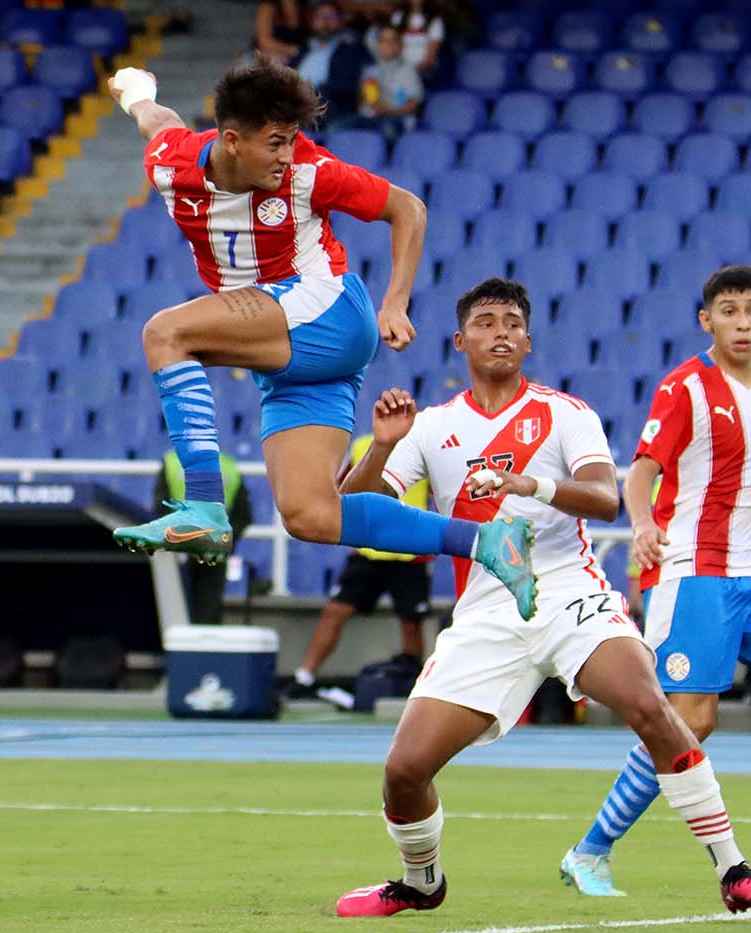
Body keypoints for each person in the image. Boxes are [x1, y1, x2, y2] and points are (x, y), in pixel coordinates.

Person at [333, 278, 751, 917]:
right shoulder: (429, 426)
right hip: (488, 610)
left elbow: (606, 498)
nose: (501, 332)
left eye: (513, 322)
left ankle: (734, 869)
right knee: (405, 771)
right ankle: (421, 882)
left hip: (570, 592)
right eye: (487, 322)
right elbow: (350, 514)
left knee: (648, 702)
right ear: (460, 340)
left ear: (527, 338)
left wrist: (527, 484)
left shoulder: (565, 413)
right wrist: (382, 444)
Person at [104, 59, 536, 620]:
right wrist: (135, 88)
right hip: (291, 356)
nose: (289, 153)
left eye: (292, 140)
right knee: (311, 516)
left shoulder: (309, 170)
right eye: (276, 141)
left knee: (165, 333)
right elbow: (153, 118)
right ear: (231, 140)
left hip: (325, 310)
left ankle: (205, 506)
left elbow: (407, 207)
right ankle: (488, 544)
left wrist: (395, 301)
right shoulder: (171, 162)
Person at [562, 266, 751, 897]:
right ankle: (590, 850)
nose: (743, 322)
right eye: (729, 311)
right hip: (694, 573)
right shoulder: (684, 388)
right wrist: (643, 525)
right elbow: (642, 471)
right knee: (690, 722)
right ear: (707, 321)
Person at [288, 432, 432, 702]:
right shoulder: (363, 445)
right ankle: (304, 678)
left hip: (411, 550)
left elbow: (440, 490)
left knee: (412, 622)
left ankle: (413, 686)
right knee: (335, 610)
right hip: (369, 547)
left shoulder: (424, 446)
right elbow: (343, 488)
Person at [154, 447, 254, 624]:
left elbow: (160, 510)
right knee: (209, 613)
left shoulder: (171, 462)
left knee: (176, 612)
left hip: (178, 550)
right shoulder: (228, 466)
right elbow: (244, 516)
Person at [294, 1, 371, 127]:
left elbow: (346, 87)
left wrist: (311, 93)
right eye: (320, 17)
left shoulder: (350, 49)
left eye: (331, 17)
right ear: (311, 21)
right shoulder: (302, 49)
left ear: (341, 21)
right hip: (295, 108)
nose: (325, 22)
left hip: (330, 111)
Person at [357, 24, 423, 141]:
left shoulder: (408, 70)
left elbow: (413, 106)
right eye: (383, 40)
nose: (387, 45)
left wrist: (387, 110)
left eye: (392, 40)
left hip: (398, 118)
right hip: (371, 118)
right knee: (337, 128)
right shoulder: (370, 69)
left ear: (399, 45)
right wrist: (364, 95)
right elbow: (365, 101)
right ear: (378, 44)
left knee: (387, 131)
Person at [388, 0, 445, 78]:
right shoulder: (398, 17)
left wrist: (413, 72)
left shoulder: (435, 19)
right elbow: (392, 45)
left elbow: (431, 57)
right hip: (400, 67)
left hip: (424, 70)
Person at [253, 0, 309, 67]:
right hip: (275, 56)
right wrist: (293, 50)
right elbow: (263, 42)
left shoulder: (304, 8)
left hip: (301, 58)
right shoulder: (267, 7)